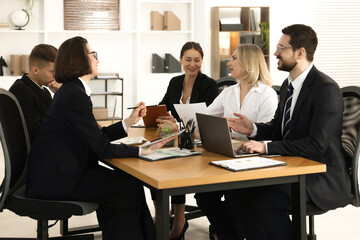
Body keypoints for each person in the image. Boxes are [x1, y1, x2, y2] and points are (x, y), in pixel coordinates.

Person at [25, 36, 173, 240]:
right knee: (128, 187)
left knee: (127, 187)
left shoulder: (72, 90)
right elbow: (101, 147)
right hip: (58, 179)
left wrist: (128, 122)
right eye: (93, 54)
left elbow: (94, 137)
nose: (97, 59)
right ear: (79, 59)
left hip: (61, 172)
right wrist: (141, 150)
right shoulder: (74, 94)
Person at [222, 24, 352, 240]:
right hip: (292, 165)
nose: (275, 53)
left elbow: (316, 145)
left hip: (320, 174)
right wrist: (253, 129)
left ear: (300, 53)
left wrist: (265, 147)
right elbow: (279, 128)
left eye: (281, 48)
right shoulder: (288, 85)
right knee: (238, 192)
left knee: (268, 202)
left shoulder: (326, 89)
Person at [195, 43, 278, 240]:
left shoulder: (267, 94)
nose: (229, 63)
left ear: (248, 63)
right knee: (204, 196)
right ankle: (230, 236)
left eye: (234, 58)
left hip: (253, 160)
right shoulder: (228, 92)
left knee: (236, 196)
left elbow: (269, 134)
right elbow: (204, 118)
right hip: (227, 155)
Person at [153, 41, 218, 240]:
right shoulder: (175, 82)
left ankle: (179, 219)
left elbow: (207, 120)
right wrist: (156, 114)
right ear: (180, 60)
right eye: (188, 59)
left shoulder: (209, 85)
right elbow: (163, 107)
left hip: (198, 144)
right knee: (156, 169)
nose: (192, 64)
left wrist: (179, 126)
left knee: (175, 169)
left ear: (202, 61)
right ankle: (161, 215)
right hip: (176, 141)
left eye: (197, 60)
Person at [9, 44, 61, 143]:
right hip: (38, 153)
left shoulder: (44, 91)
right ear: (36, 70)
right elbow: (38, 133)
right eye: (52, 72)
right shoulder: (21, 90)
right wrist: (60, 96)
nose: (56, 76)